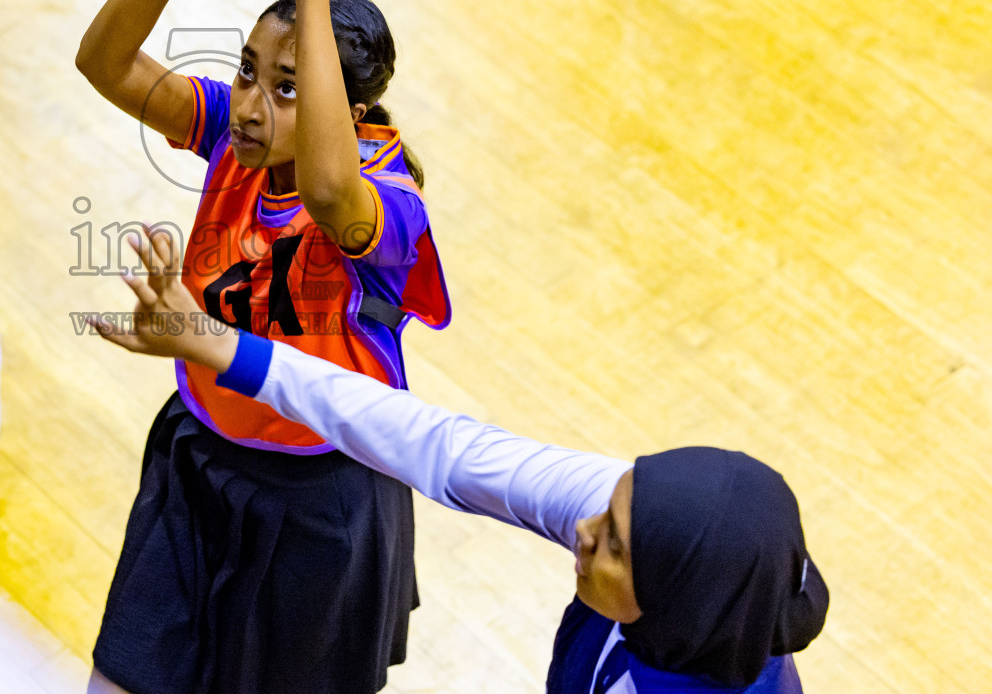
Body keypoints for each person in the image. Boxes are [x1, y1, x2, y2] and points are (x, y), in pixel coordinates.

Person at [90, 225, 831, 693]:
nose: (584, 527)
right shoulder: (664, 554)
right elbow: (437, 446)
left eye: (611, 543)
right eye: (610, 507)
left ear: (674, 602)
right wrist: (217, 344)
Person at [75, 0, 450, 694]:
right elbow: (101, 63)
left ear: (350, 117)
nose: (250, 103)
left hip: (321, 497)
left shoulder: (385, 210)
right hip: (201, 454)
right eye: (248, 72)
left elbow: (323, 186)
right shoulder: (224, 134)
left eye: (287, 89)